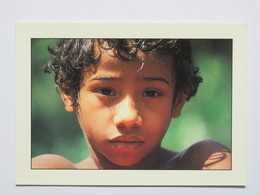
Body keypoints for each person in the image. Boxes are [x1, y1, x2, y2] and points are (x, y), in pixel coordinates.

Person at [32, 39, 231, 169]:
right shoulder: (51, 173)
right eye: (106, 91)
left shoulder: (201, 165)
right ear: (69, 93)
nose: (128, 117)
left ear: (177, 100)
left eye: (151, 93)